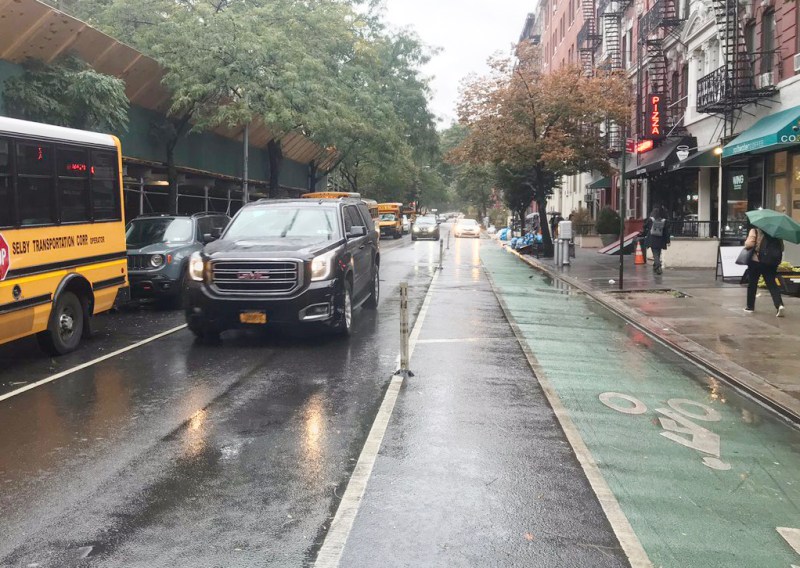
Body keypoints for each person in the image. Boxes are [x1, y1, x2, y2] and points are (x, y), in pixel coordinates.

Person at [744, 223, 785, 317]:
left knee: (752, 284)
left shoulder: (755, 230)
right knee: (772, 284)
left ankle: (750, 307)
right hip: (770, 263)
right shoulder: (776, 234)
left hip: (756, 262)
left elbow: (749, 244)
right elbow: (781, 248)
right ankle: (779, 305)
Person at [643, 208, 670, 274]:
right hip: (661, 240)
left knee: (655, 254)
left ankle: (658, 266)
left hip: (652, 240)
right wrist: (668, 241)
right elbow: (667, 232)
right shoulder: (664, 221)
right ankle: (655, 266)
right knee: (658, 253)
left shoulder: (650, 220)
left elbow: (644, 226)